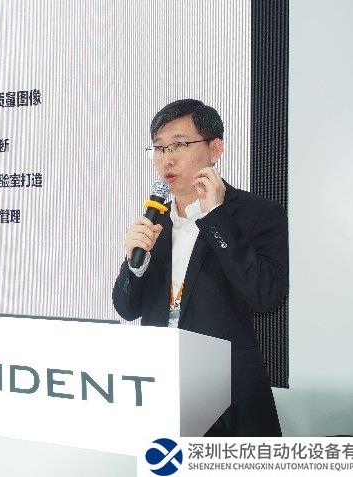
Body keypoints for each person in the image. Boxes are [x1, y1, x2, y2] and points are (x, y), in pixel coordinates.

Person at [112, 99, 288, 436]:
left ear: (215, 149)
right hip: (158, 388)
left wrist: (216, 217)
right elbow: (127, 308)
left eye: (179, 145)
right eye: (159, 148)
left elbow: (265, 296)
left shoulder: (258, 213)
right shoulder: (155, 222)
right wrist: (135, 265)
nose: (167, 159)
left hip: (227, 395)